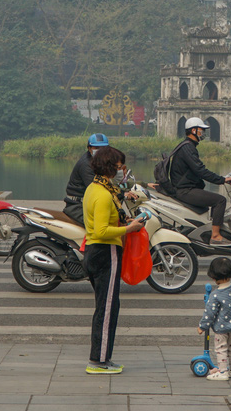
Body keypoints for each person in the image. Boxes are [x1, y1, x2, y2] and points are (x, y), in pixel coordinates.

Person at [83, 146, 145, 374]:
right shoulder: (101, 194)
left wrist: (124, 220)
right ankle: (97, 361)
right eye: (119, 168)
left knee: (106, 306)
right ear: (110, 167)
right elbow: (100, 231)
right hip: (104, 251)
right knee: (107, 309)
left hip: (94, 251)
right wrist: (129, 228)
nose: (122, 172)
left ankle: (103, 358)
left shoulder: (96, 187)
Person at [169, 117, 231, 246]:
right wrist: (222, 180)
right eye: (201, 130)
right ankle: (215, 236)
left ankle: (204, 233)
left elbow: (198, 170)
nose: (203, 133)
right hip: (185, 190)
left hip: (185, 188)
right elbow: (200, 171)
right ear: (193, 130)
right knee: (220, 200)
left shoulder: (187, 146)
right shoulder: (188, 148)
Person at [198, 257, 231, 381]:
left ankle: (223, 372)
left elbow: (209, 313)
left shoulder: (215, 295)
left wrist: (202, 326)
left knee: (221, 348)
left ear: (213, 276)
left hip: (221, 328)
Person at [63, 133, 109, 224]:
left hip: (87, 203)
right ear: (89, 148)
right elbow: (97, 188)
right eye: (96, 148)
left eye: (103, 148)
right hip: (77, 206)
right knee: (100, 225)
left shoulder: (100, 161)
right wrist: (121, 194)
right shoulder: (86, 165)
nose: (100, 151)